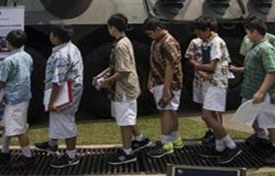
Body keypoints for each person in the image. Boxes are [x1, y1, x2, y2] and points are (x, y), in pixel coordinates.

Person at [94, 14, 150, 165]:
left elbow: (123, 70)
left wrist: (107, 81)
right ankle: (140, 139)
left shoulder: (120, 45)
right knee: (129, 117)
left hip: (123, 89)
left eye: (109, 27)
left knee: (124, 121)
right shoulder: (125, 41)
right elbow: (117, 65)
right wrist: (101, 75)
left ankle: (127, 152)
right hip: (128, 88)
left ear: (113, 27)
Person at [232, 17, 275, 165]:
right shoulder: (256, 47)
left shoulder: (266, 49)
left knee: (269, 121)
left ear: (255, 32)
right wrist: (238, 69)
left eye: (248, 33)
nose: (247, 36)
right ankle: (262, 139)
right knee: (255, 119)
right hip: (254, 92)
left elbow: (272, 71)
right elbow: (255, 67)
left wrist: (261, 91)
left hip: (266, 94)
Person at [190, 17, 241, 164]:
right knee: (211, 114)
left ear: (207, 30)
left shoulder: (216, 42)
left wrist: (195, 64)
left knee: (207, 116)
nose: (198, 36)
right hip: (209, 82)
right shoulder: (208, 42)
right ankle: (220, 147)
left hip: (216, 83)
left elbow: (212, 66)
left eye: (199, 33)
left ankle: (231, 145)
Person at [35, 25, 84, 169]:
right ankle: (52, 144)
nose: (49, 36)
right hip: (70, 90)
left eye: (51, 34)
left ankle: (71, 156)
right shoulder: (72, 48)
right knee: (58, 119)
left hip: (64, 94)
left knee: (66, 122)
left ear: (56, 37)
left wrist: (52, 102)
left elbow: (58, 81)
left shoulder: (60, 55)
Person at [0, 30, 34, 169]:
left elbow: (1, 81)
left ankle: (27, 157)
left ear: (8, 42)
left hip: (14, 99)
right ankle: (4, 151)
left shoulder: (8, 60)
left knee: (19, 129)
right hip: (23, 96)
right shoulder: (27, 56)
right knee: (7, 125)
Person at [142, 18, 183, 158]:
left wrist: (166, 88)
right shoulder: (156, 41)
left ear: (158, 29)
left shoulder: (168, 42)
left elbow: (170, 66)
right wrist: (150, 78)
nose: (150, 36)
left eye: (150, 33)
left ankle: (166, 143)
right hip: (159, 80)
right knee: (170, 110)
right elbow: (153, 62)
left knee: (165, 110)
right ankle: (175, 138)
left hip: (168, 83)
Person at [185, 35, 220, 146]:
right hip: (200, 79)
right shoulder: (195, 42)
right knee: (205, 108)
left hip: (213, 79)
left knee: (214, 109)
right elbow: (190, 58)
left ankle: (218, 132)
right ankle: (210, 130)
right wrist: (199, 69)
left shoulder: (216, 43)